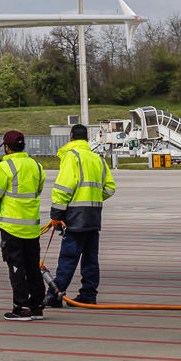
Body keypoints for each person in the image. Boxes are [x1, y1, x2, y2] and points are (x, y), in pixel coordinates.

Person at [47, 125, 116, 307]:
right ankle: (88, 295)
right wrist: (93, 198)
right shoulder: (97, 159)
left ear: (71, 138)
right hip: (93, 216)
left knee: (68, 258)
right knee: (90, 259)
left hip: (76, 216)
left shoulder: (72, 156)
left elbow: (64, 187)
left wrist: (57, 213)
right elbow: (109, 188)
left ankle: (55, 295)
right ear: (86, 140)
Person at [0, 130, 46, 321]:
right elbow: (38, 190)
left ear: (6, 147)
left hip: (12, 227)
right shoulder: (36, 166)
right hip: (31, 226)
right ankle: (37, 306)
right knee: (33, 268)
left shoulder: (4, 167)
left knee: (16, 268)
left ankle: (21, 307)